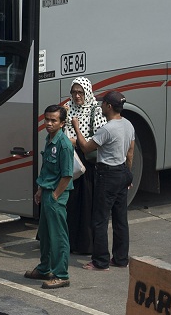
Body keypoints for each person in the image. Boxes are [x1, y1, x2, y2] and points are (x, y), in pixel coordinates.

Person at [73, 90, 135, 271]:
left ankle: (100, 261)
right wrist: (128, 176)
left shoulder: (107, 129)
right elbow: (130, 153)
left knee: (99, 219)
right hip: (122, 172)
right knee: (120, 219)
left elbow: (85, 148)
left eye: (102, 103)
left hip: (107, 175)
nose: (100, 106)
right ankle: (121, 259)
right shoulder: (128, 124)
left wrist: (76, 126)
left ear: (109, 106)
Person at [25, 104, 73, 289]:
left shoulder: (64, 144)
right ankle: (45, 268)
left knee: (58, 236)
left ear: (62, 123)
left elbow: (67, 175)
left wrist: (54, 195)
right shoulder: (49, 139)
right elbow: (46, 168)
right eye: (47, 119)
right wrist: (40, 189)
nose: (49, 123)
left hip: (56, 196)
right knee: (44, 235)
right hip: (46, 191)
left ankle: (61, 274)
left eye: (54, 120)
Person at [64, 77, 106, 255]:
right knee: (70, 204)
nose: (77, 95)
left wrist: (75, 139)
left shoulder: (95, 111)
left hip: (86, 163)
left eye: (80, 92)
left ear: (87, 92)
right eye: (74, 92)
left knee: (86, 204)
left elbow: (99, 138)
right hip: (70, 159)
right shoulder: (68, 107)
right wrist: (63, 115)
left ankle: (84, 245)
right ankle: (69, 243)